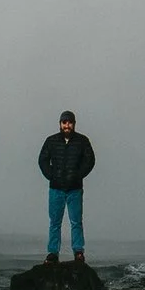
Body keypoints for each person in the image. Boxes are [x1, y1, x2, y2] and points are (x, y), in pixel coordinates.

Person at [38, 110, 96, 264]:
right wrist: (51, 175)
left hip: (74, 189)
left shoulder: (82, 141)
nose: (67, 125)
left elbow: (90, 160)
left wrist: (78, 175)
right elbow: (42, 160)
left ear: (74, 124)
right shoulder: (51, 141)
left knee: (76, 221)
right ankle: (53, 253)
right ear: (60, 124)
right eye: (64, 122)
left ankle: (78, 252)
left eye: (70, 122)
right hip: (56, 189)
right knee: (55, 222)